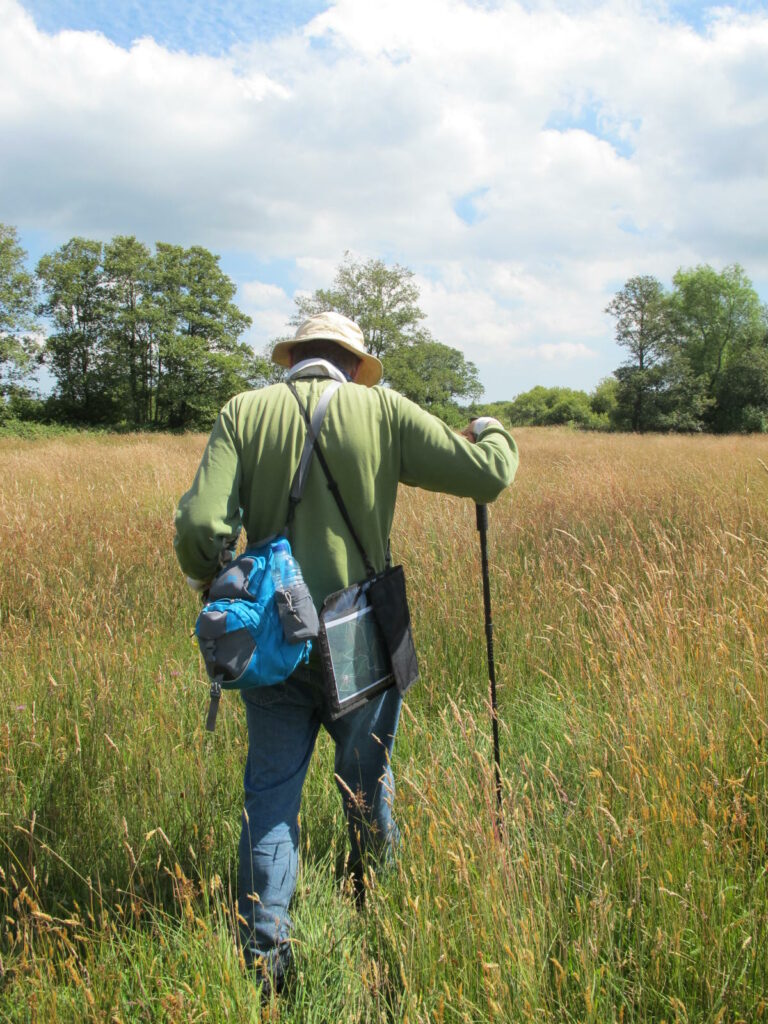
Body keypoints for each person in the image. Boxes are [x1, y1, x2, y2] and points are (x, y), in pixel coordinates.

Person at [174, 310, 518, 992]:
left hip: (274, 638)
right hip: (361, 632)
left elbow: (200, 524)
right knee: (366, 787)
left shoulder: (244, 412)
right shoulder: (381, 410)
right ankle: (381, 918)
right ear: (354, 364)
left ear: (293, 357)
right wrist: (492, 428)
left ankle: (264, 967)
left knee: (270, 797)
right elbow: (489, 474)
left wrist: (210, 581)